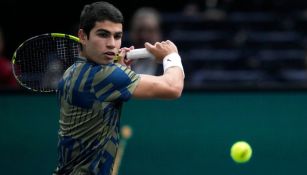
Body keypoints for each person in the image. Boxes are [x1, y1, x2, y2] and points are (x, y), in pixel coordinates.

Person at [54, 1, 184, 175]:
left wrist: (122, 70)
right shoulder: (104, 76)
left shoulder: (71, 71)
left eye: (117, 36)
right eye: (103, 34)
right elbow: (173, 87)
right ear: (83, 36)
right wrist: (172, 56)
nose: (111, 44)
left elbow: (106, 98)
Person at [129, 7, 163, 75]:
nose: (144, 36)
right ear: (132, 32)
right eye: (140, 30)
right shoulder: (119, 60)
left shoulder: (168, 64)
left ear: (158, 33)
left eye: (150, 31)